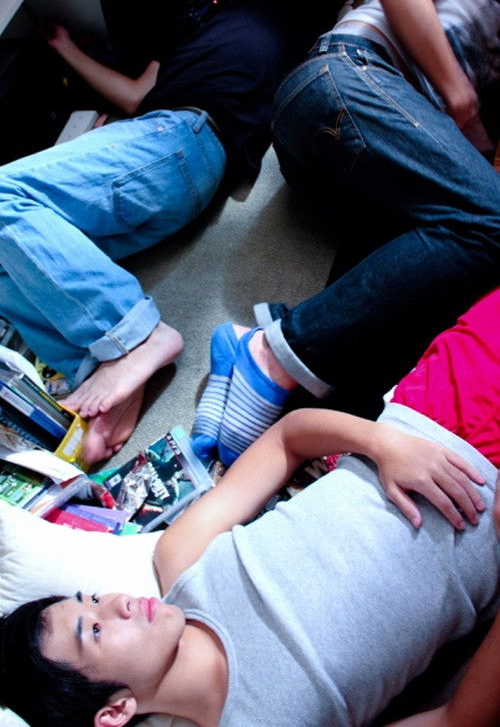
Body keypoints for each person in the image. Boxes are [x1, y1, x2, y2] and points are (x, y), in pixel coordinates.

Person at [1, 288, 499, 727]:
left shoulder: (182, 558)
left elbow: (287, 439)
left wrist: (381, 443)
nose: (116, 603)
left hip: (436, 414)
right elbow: (459, 719)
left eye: (92, 600)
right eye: (94, 630)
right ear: (115, 711)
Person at [0, 0, 344, 464]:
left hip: (184, 134)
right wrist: (63, 46)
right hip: (162, 154)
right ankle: (100, 366)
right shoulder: (190, 26)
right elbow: (133, 95)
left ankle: (135, 335)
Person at [192, 0, 500, 465]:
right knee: (493, 222)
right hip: (349, 77)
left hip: (374, 164)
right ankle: (273, 352)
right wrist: (459, 95)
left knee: (414, 315)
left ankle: (261, 375)